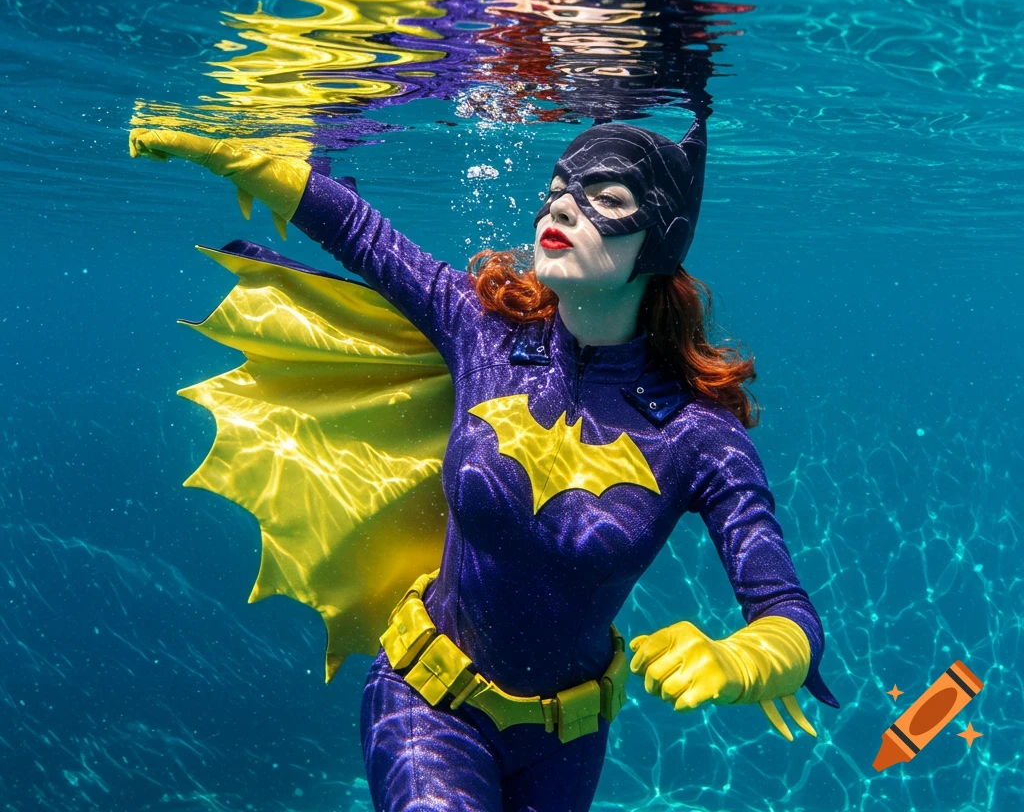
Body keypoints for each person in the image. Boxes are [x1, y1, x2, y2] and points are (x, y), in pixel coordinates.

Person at [129, 117, 836, 812]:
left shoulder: (699, 437)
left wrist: (743, 661)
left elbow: (787, 613)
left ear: (662, 237)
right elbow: (358, 231)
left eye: (608, 198)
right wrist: (236, 155)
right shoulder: (483, 334)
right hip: (424, 702)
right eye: (559, 187)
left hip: (567, 743)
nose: (563, 205)